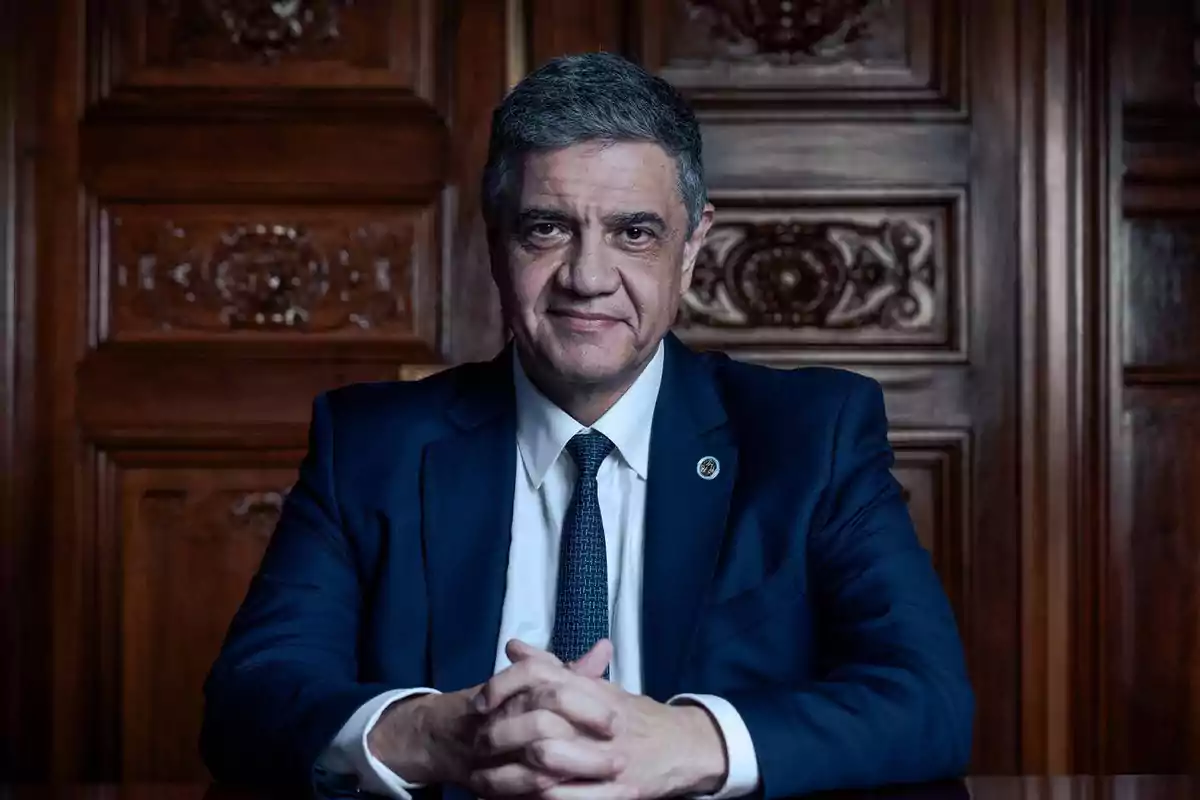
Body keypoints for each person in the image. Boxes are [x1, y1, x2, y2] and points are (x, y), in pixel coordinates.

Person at [200, 52, 973, 800]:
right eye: (547, 229)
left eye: (634, 233)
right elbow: (249, 702)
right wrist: (435, 734)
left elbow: (927, 701)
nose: (588, 277)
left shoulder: (811, 437)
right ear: (496, 238)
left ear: (692, 248)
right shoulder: (370, 445)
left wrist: (685, 744)